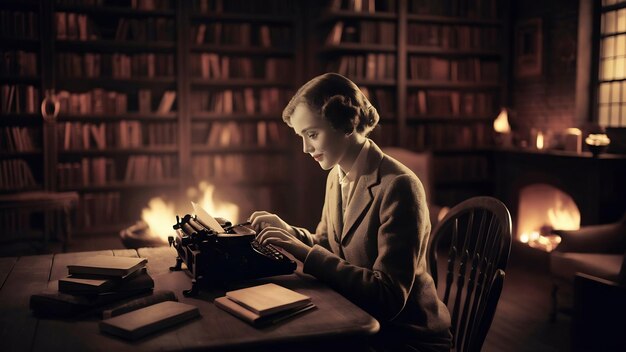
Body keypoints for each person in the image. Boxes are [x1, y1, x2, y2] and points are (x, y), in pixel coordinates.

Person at [248, 73, 452, 352]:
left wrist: (304, 253)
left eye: (312, 134)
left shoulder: (400, 186)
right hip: (357, 317)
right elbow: (326, 244)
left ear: (345, 123)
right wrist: (288, 232)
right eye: (301, 137)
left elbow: (389, 297)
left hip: (405, 336)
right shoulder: (336, 174)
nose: (306, 149)